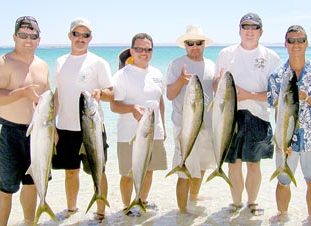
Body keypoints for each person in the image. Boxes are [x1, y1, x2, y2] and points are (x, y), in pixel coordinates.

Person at [267, 25, 311, 223]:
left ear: (307, 43)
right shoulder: (276, 76)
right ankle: (282, 218)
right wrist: (281, 141)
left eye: (300, 40)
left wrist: (308, 99)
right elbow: (277, 110)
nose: (296, 44)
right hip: (285, 141)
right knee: (283, 182)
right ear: (285, 44)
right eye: (291, 40)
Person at [214, 12, 281, 215]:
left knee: (254, 164)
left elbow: (276, 95)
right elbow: (216, 85)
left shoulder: (271, 57)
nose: (249, 31)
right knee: (233, 164)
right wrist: (220, 85)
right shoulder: (226, 53)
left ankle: (252, 202)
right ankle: (235, 202)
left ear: (261, 31)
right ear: (239, 29)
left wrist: (248, 95)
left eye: (254, 27)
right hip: (229, 116)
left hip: (258, 117)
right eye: (245, 26)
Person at [0, 16, 50, 226]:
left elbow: (48, 100)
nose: (28, 40)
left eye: (33, 36)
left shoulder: (42, 66)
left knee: (32, 184)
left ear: (39, 39)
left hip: (38, 132)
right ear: (15, 37)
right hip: (8, 131)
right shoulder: (1, 63)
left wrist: (53, 128)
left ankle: (29, 222)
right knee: (6, 188)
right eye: (23, 35)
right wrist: (21, 93)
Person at [51, 17, 113, 221]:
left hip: (92, 127)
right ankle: (71, 210)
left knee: (99, 170)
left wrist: (100, 93)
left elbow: (111, 92)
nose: (80, 38)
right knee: (70, 172)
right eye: (76, 34)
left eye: (85, 35)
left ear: (90, 38)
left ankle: (101, 211)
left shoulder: (98, 62)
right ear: (70, 36)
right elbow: (57, 95)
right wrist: (52, 125)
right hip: (65, 128)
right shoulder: (60, 61)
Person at [110, 33, 168, 215]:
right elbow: (114, 106)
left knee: (149, 170)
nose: (144, 53)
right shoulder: (121, 75)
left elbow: (160, 101)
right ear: (132, 51)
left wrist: (163, 127)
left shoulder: (157, 73)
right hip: (129, 134)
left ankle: (142, 200)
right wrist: (131, 109)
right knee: (127, 173)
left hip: (154, 132)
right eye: (139, 49)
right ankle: (127, 207)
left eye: (148, 49)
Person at [166, 25, 216, 213]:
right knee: (184, 171)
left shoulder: (211, 65)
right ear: (185, 45)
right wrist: (180, 80)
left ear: (204, 44)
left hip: (207, 127)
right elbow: (170, 95)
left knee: (202, 166)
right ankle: (182, 213)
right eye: (190, 43)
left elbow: (216, 91)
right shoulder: (176, 64)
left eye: (199, 42)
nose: (195, 46)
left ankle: (193, 197)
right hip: (184, 126)